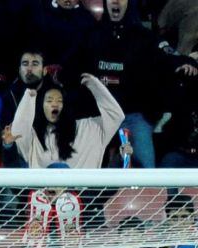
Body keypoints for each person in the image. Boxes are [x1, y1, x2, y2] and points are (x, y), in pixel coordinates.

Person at [84, 0, 198, 169]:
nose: (116, 1)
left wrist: (185, 62)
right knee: (90, 169)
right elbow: (72, 63)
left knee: (146, 172)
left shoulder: (144, 36)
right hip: (99, 117)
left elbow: (167, 55)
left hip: (134, 117)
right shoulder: (91, 36)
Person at [11, 74, 124, 169]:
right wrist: (29, 96)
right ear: (41, 106)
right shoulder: (34, 138)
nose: (54, 104)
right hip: (43, 194)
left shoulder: (87, 128)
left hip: (82, 194)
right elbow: (17, 132)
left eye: (59, 101)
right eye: (49, 101)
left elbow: (116, 116)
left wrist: (94, 85)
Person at [0, 49, 46, 127]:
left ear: (44, 71)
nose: (29, 69)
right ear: (19, 70)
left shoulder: (54, 94)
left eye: (35, 64)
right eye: (25, 64)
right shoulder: (9, 96)